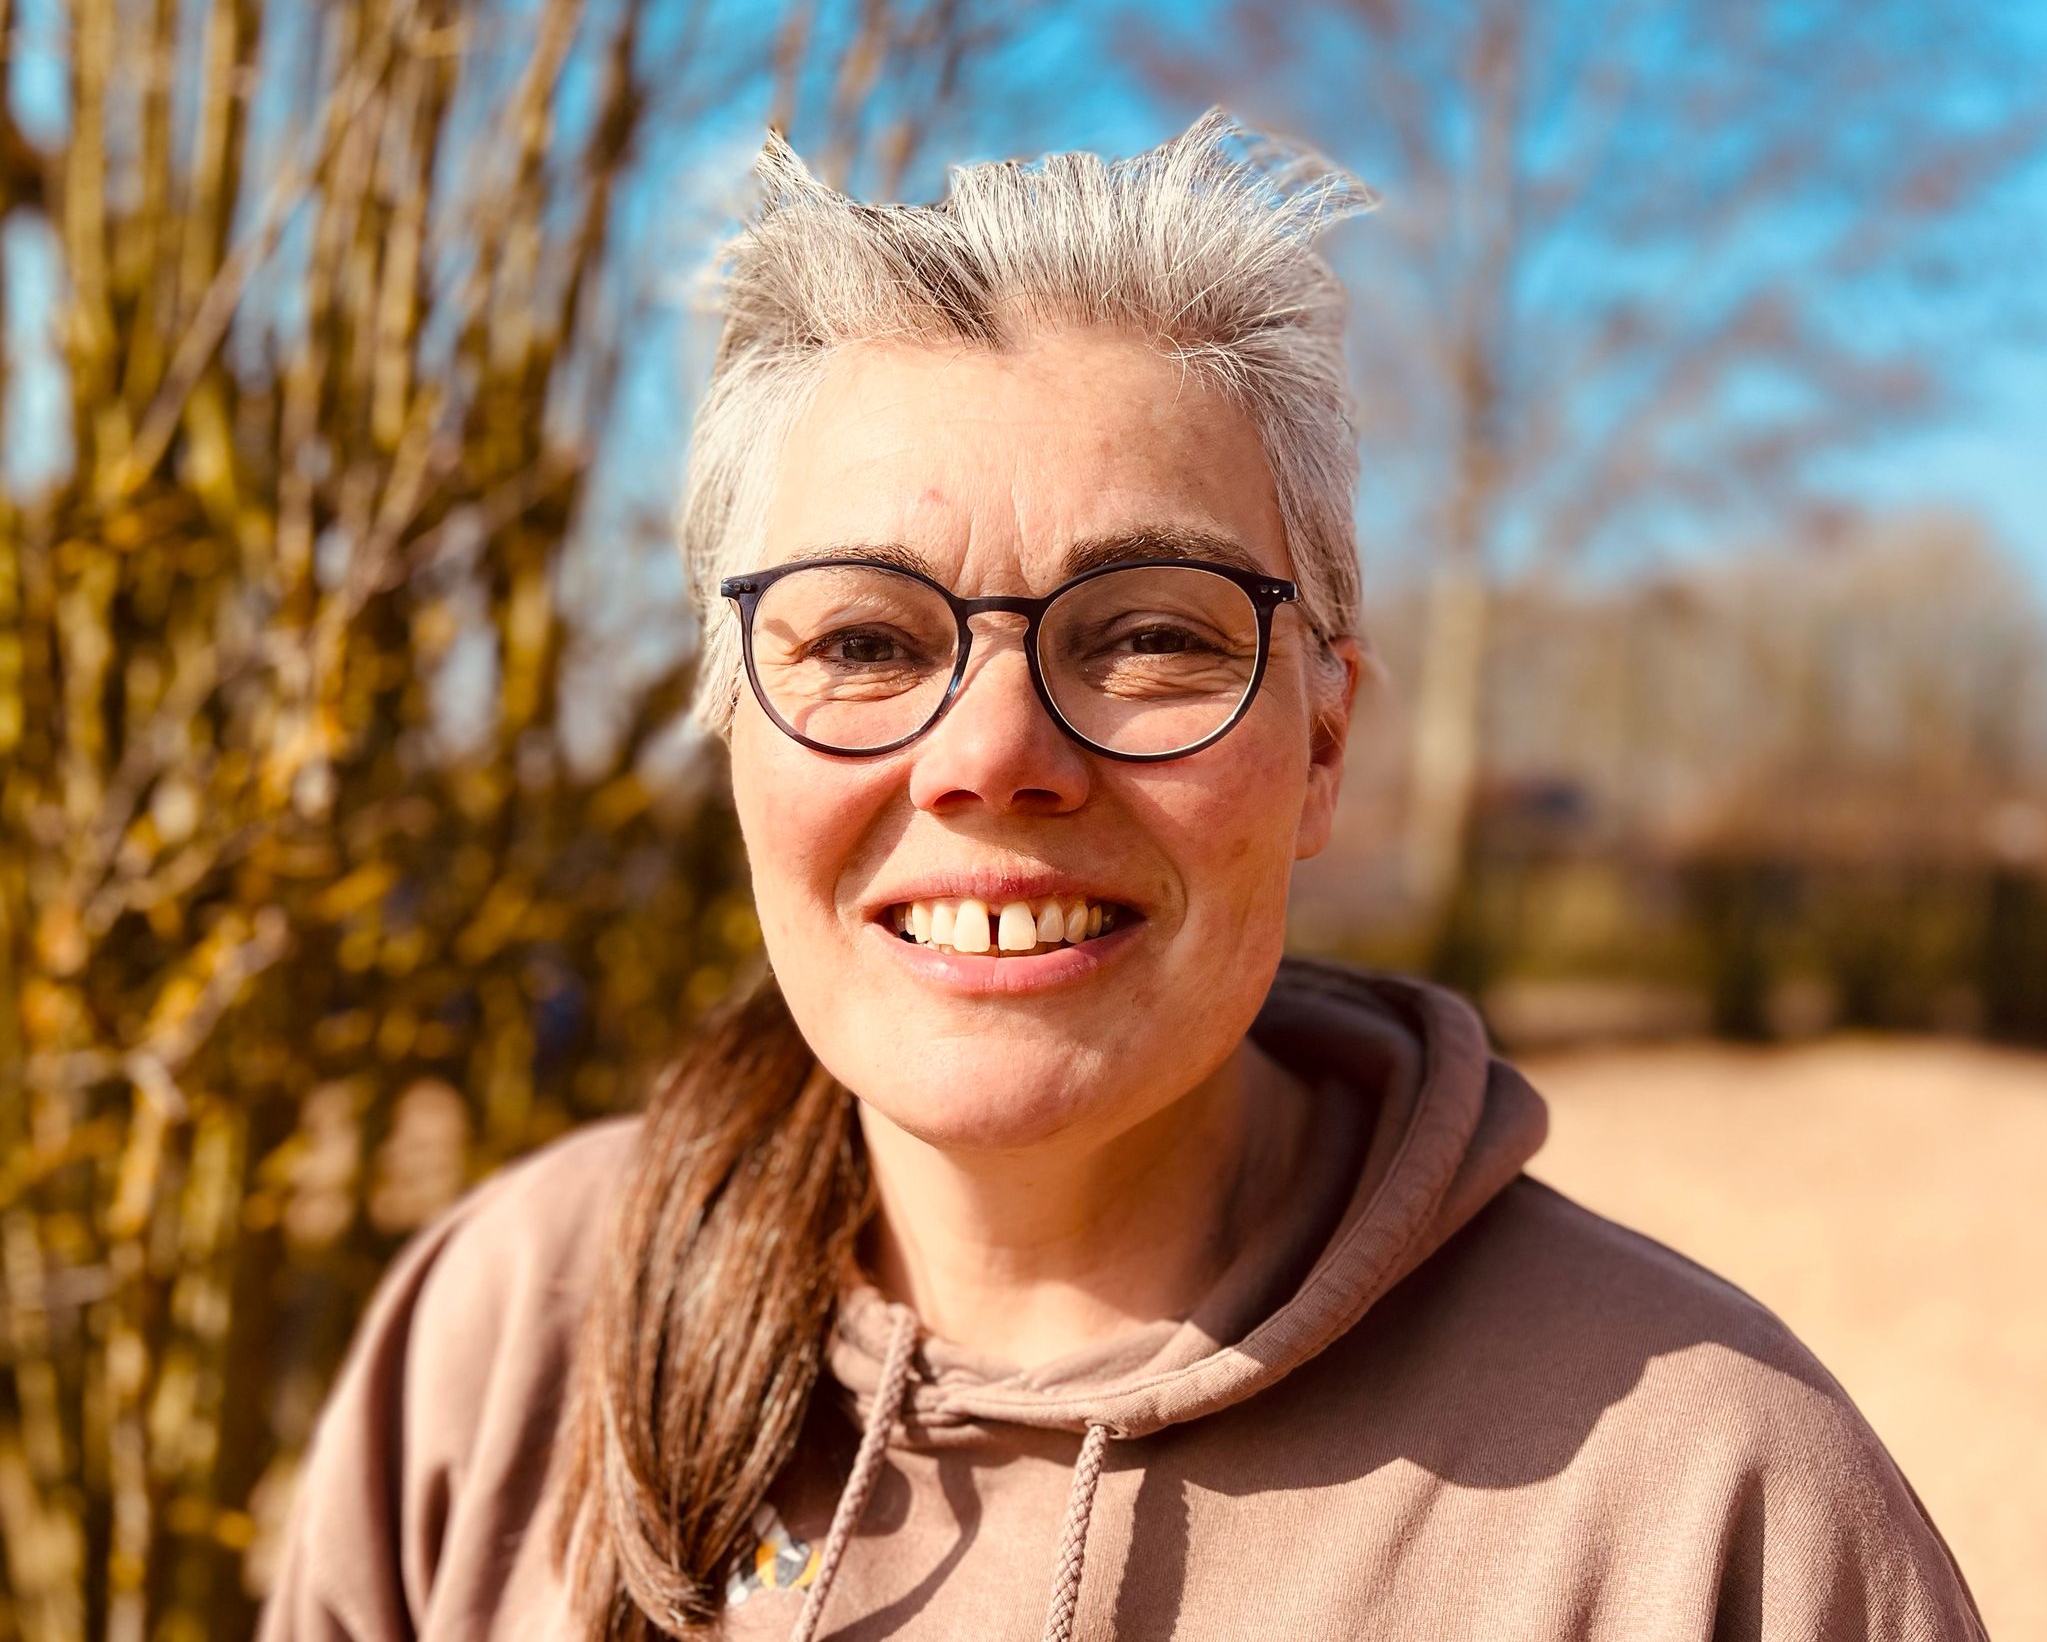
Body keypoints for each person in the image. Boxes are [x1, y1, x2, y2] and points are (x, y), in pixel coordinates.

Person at [255, 112, 1986, 1642]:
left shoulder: (1710, 1516)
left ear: (1322, 746)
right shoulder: (503, 1342)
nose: (992, 753)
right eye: (863, 640)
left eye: (1150, 635)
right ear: (731, 734)